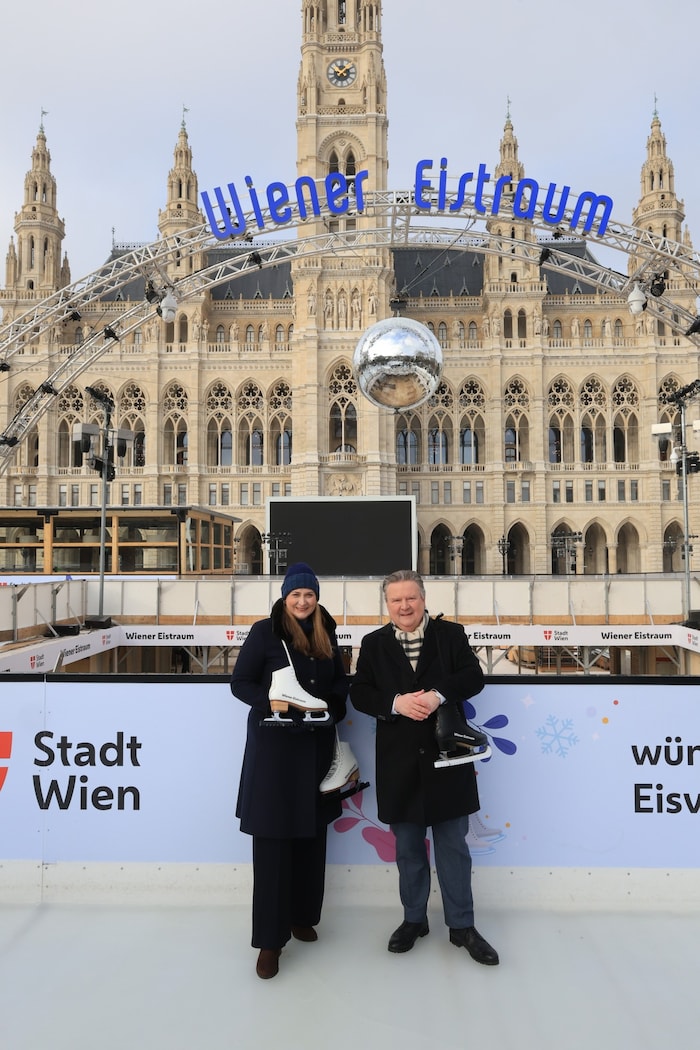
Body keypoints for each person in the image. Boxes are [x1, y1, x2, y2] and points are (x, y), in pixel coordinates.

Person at [350, 569, 499, 965]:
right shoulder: (373, 644)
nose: (404, 606)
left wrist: (437, 695)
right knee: (408, 850)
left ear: (423, 597)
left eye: (411, 598)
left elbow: (473, 676)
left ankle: (462, 926)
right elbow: (361, 692)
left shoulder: (451, 636)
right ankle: (414, 919)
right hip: (399, 764)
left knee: (453, 848)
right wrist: (395, 703)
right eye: (396, 600)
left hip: (448, 762)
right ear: (387, 604)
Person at [230, 562, 349, 979]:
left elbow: (338, 684)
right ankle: (269, 940)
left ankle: (302, 917)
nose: (302, 601)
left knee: (311, 842)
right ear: (284, 597)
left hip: (315, 751)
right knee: (273, 847)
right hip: (275, 756)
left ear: (316, 598)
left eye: (309, 595)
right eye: (295, 595)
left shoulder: (327, 631)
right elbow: (240, 683)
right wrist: (274, 703)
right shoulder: (265, 632)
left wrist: (333, 708)